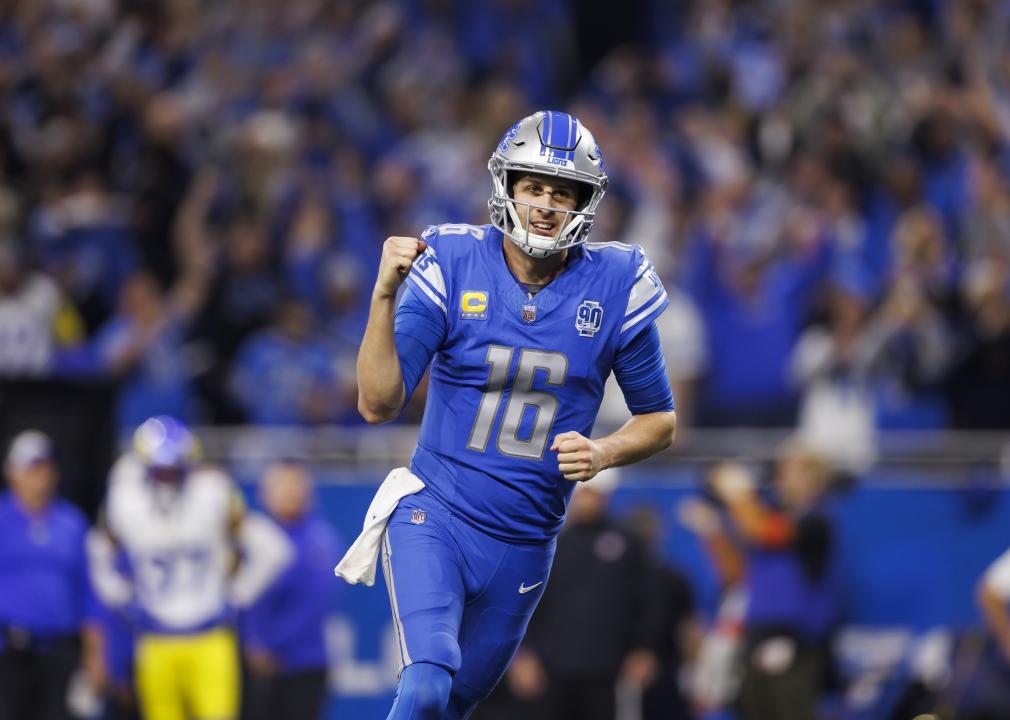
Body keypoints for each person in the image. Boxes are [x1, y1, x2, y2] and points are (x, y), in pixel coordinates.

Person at [337, 110, 677, 720]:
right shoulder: (451, 259)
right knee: (425, 686)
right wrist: (384, 295)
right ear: (507, 189)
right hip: (434, 511)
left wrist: (604, 452)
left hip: (525, 542)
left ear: (585, 201)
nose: (546, 205)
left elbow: (660, 419)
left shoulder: (616, 280)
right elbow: (377, 403)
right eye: (534, 187)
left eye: (563, 192)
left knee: (453, 707)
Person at [88, 416, 293, 720]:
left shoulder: (213, 494)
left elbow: (272, 548)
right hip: (155, 637)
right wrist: (121, 596)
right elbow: (97, 550)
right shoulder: (124, 500)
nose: (167, 478)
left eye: (173, 470)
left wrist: (239, 594)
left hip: (209, 634)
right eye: (160, 470)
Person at [708, 443, 840, 720]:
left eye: (790, 470)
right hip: (757, 632)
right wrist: (713, 530)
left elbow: (764, 532)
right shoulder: (773, 515)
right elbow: (735, 573)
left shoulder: (816, 522)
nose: (781, 477)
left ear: (813, 478)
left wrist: (738, 492)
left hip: (795, 637)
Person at [0, 430, 105, 720]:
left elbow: (89, 593)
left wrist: (95, 656)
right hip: (9, 651)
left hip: (60, 651)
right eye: (32, 468)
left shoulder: (71, 522)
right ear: (12, 472)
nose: (40, 476)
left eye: (45, 467)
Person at [241, 461, 342, 720]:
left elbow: (312, 604)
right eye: (281, 485)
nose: (289, 492)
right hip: (255, 664)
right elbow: (241, 600)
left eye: (295, 484)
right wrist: (252, 643)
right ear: (265, 493)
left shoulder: (318, 540)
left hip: (303, 664)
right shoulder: (251, 538)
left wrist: (269, 646)